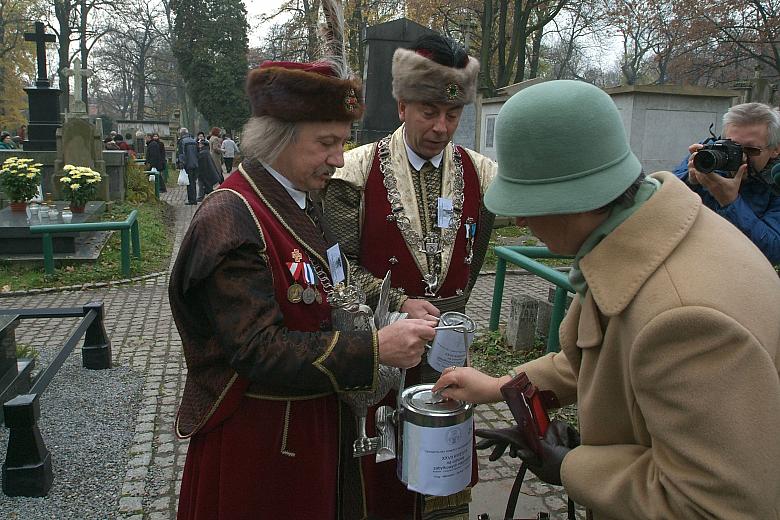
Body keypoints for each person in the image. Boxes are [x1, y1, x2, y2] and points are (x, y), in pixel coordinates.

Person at [433, 80, 780, 519]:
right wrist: (503, 388)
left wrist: (575, 467)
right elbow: (599, 355)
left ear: (576, 199)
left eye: (528, 201)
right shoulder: (640, 238)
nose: (519, 217)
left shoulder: (687, 320)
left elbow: (716, 506)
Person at [169, 55, 437, 519]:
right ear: (278, 140)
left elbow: (333, 278)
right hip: (261, 445)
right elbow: (258, 349)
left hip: (306, 428)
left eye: (343, 142)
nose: (339, 158)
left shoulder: (299, 197)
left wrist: (397, 302)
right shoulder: (232, 217)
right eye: (326, 143)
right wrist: (375, 348)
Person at [322, 34, 496, 519]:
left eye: (453, 115)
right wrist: (398, 302)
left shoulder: (482, 174)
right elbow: (337, 269)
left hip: (448, 357)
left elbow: (473, 260)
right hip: (383, 355)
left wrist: (452, 315)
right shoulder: (354, 171)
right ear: (402, 105)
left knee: (445, 474)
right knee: (383, 481)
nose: (442, 127)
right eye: (428, 112)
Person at [672, 102, 780, 265]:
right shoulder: (707, 156)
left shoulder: (776, 181)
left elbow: (773, 250)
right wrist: (689, 181)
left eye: (750, 150)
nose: (740, 156)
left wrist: (730, 202)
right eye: (731, 146)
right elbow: (662, 205)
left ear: (775, 150)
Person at [176, 128, 199, 205]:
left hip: (187, 164)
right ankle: (194, 198)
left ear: (181, 134)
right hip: (195, 163)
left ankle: (192, 200)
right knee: (193, 182)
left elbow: (181, 153)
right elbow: (198, 152)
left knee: (189, 182)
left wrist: (181, 163)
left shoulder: (182, 141)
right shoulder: (193, 141)